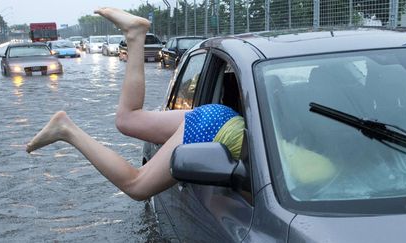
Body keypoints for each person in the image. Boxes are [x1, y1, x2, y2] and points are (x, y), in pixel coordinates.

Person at [26, 7, 245, 201]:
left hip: (222, 118)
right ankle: (67, 131)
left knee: (127, 119)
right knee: (137, 186)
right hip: (217, 129)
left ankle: (135, 36)